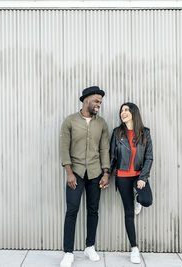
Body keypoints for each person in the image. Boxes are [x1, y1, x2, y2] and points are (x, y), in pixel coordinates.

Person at [59, 86, 110, 267]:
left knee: (93, 210)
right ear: (86, 100)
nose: (98, 105)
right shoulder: (70, 121)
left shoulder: (101, 123)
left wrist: (106, 173)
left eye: (100, 102)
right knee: (72, 211)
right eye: (96, 101)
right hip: (76, 173)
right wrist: (69, 173)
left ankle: (90, 246)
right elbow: (64, 148)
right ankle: (68, 252)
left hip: (95, 173)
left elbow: (104, 148)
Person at [109, 102, 153, 264]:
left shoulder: (145, 133)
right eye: (121, 111)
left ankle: (138, 199)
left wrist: (143, 177)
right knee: (128, 213)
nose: (123, 113)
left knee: (147, 200)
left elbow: (149, 157)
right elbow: (112, 156)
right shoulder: (117, 133)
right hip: (122, 177)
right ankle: (134, 249)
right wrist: (106, 174)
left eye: (126, 110)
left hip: (138, 176)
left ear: (134, 113)